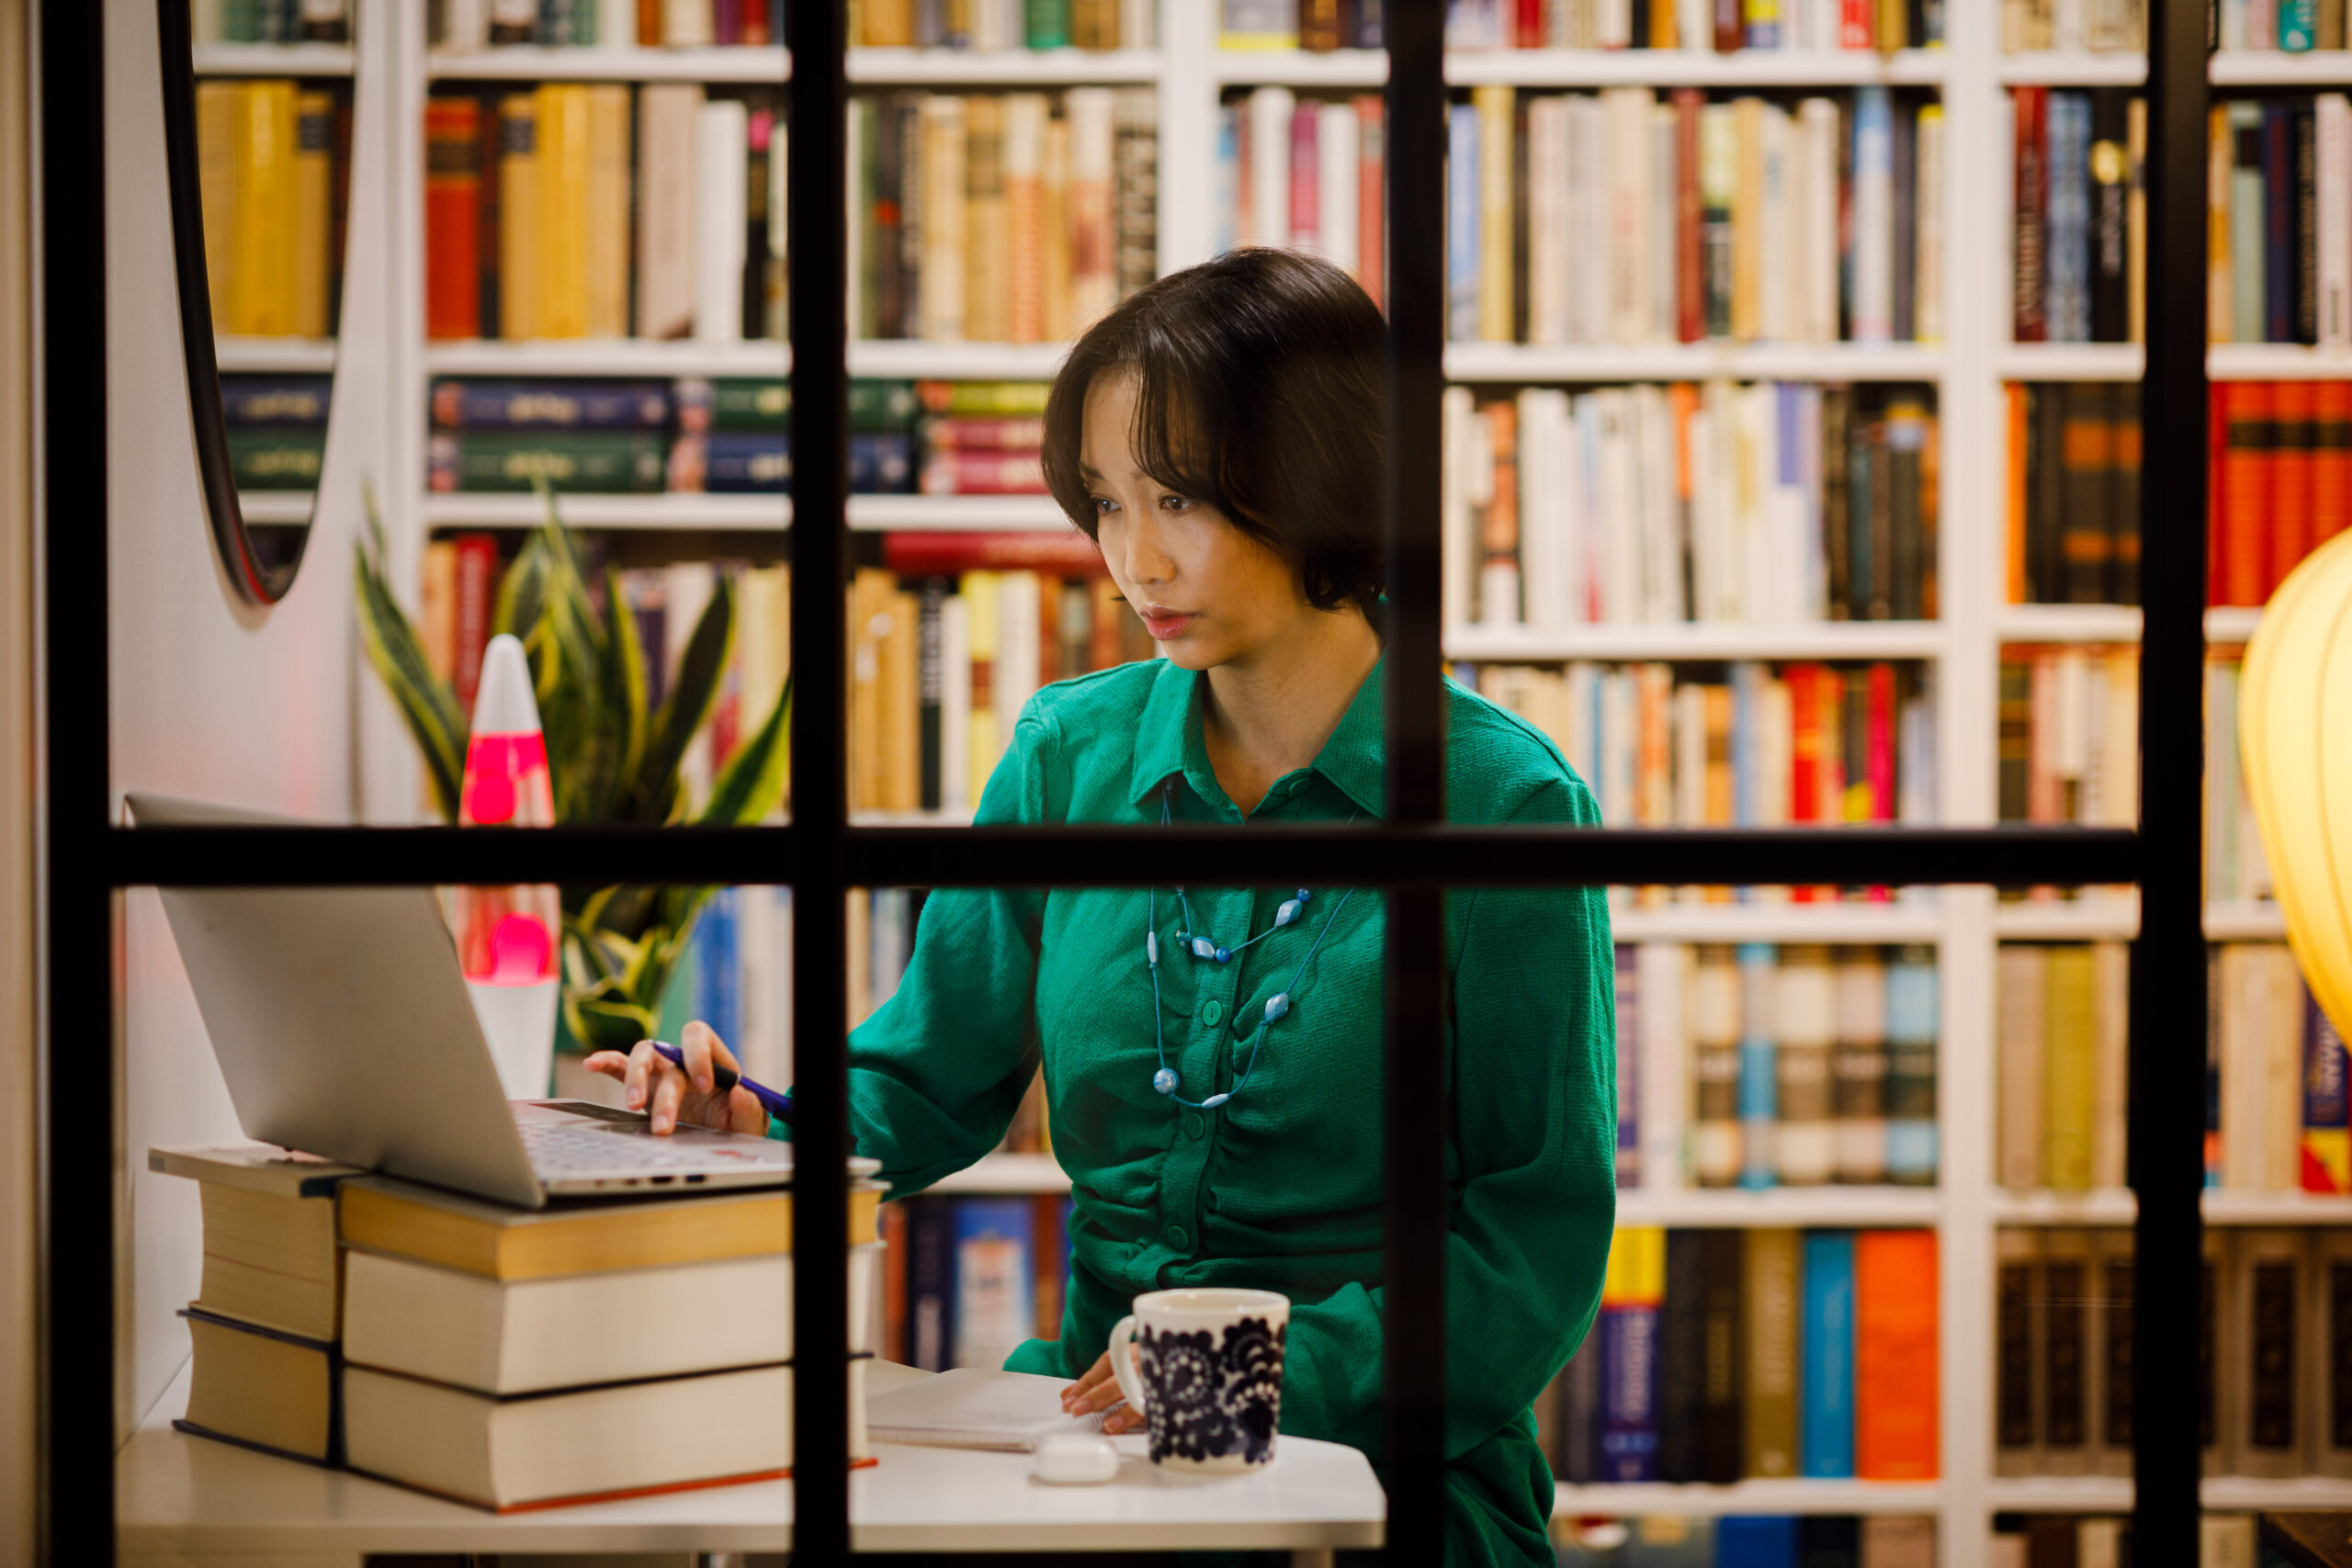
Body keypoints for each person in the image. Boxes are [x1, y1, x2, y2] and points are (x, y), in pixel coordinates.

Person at [585, 248, 1617, 1566]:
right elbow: (924, 1078)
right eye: (1108, 503)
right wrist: (760, 1129)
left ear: (1321, 472)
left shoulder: (1506, 803)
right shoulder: (1066, 757)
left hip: (1382, 1466)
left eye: (1177, 499)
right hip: (1084, 1448)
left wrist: (1237, 1381)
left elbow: (1535, 1249)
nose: (1136, 559)